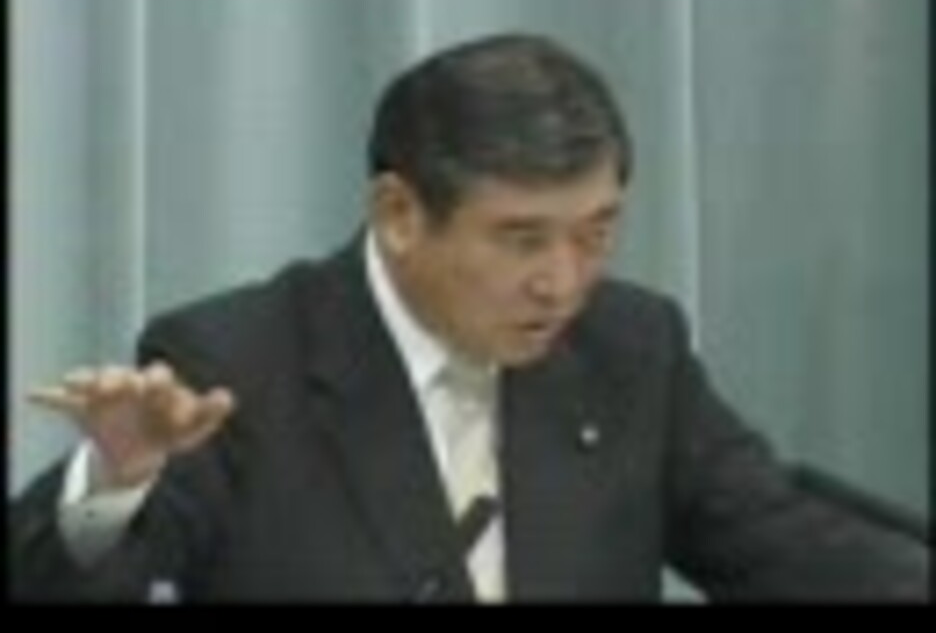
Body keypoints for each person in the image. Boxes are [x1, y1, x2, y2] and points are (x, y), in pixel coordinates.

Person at [10, 34, 928, 603]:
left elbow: (779, 542)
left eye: (596, 233)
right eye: (522, 240)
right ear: (399, 213)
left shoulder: (632, 347)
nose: (563, 283)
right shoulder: (238, 362)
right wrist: (115, 481)